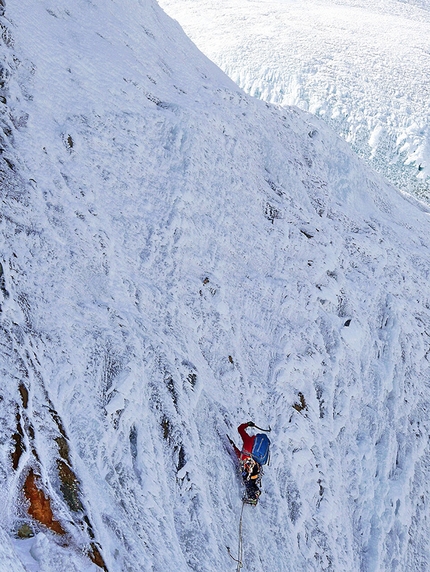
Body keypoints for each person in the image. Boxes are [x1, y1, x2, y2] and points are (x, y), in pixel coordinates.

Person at [229, 421, 262, 503]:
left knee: (247, 479)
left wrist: (247, 424)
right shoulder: (257, 450)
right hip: (256, 467)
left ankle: (252, 497)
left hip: (248, 465)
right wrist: (234, 447)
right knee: (251, 479)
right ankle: (255, 492)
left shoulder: (247, 440)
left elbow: (240, 429)